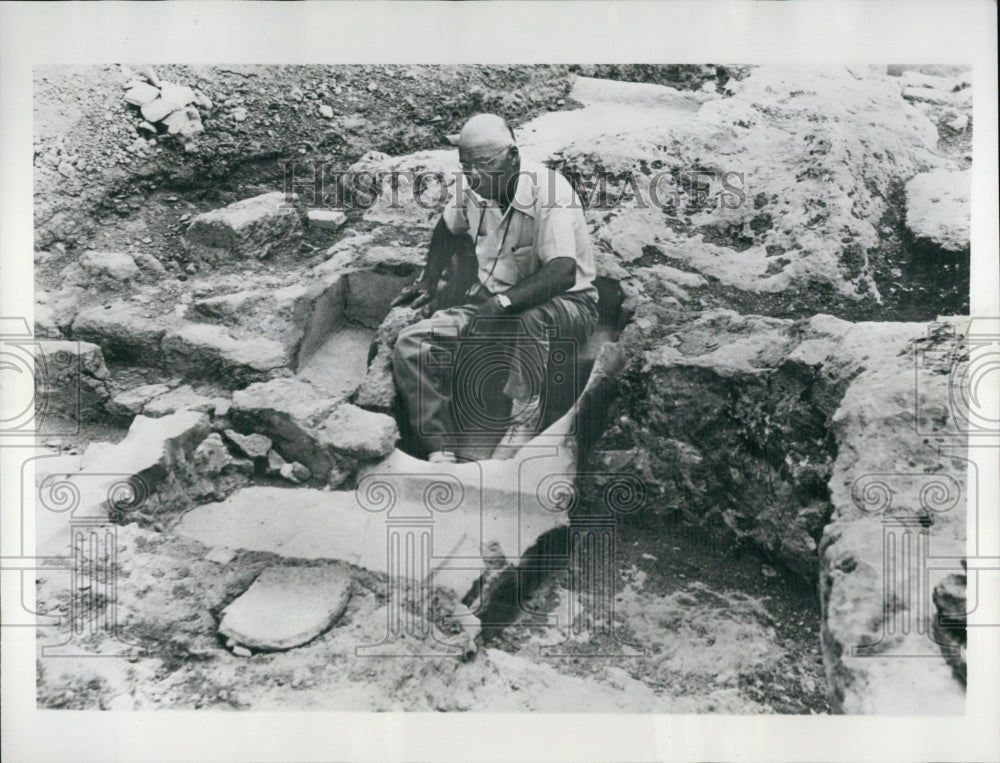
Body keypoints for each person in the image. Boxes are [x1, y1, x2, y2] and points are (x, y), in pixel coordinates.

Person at [391, 113, 598, 463]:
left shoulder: (550, 192)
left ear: (512, 155)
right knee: (412, 344)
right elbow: (446, 229)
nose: (472, 175)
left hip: (565, 307)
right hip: (494, 305)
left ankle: (523, 418)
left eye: (483, 164)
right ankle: (439, 450)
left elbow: (563, 271)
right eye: (465, 165)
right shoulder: (472, 186)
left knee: (532, 318)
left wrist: (501, 303)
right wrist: (429, 279)